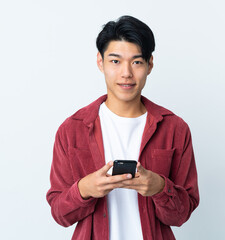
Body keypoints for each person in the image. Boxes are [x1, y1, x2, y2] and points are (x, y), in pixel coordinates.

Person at [46, 15, 199, 240]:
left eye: (136, 61)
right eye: (115, 61)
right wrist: (84, 189)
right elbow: (60, 214)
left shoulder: (175, 129)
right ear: (100, 62)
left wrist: (159, 187)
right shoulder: (71, 130)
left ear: (150, 65)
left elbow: (180, 216)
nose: (126, 73)